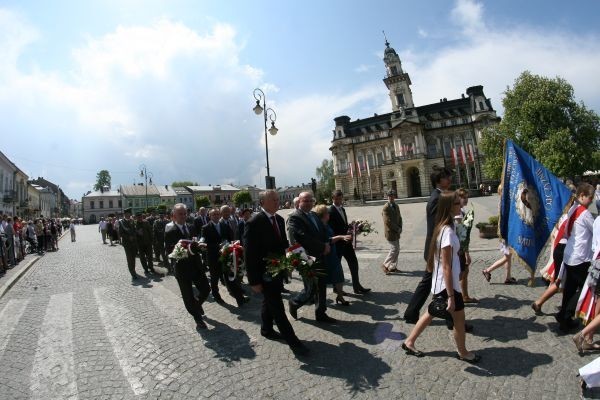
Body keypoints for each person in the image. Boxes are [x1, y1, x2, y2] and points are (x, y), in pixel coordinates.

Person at [402, 191, 480, 363]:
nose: (461, 206)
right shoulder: (447, 232)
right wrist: (451, 295)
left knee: (431, 311)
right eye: (458, 204)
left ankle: (409, 341)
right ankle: (463, 352)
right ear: (450, 207)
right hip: (447, 286)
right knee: (459, 320)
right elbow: (445, 266)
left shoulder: (445, 227)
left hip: (443, 284)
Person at [243, 190, 309, 356]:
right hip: (264, 274)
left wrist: (296, 257)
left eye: (278, 199)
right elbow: (249, 254)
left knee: (269, 302)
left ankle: (266, 329)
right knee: (278, 308)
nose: (277, 202)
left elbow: (283, 245)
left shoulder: (279, 220)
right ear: (262, 202)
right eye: (273, 199)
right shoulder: (254, 222)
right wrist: (254, 281)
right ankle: (294, 342)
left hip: (278, 271)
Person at [404, 166, 452, 323]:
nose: (449, 178)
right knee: (436, 281)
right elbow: (435, 226)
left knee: (431, 282)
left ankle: (412, 313)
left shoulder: (439, 196)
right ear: (439, 181)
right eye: (446, 176)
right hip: (435, 249)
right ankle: (451, 316)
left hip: (435, 248)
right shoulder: (436, 198)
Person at [287, 191, 336, 323]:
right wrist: (323, 246)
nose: (308, 203)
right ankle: (294, 303)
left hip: (321, 255)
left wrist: (327, 243)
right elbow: (304, 238)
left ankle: (321, 314)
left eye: (310, 201)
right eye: (305, 201)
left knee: (321, 286)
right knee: (311, 288)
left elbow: (323, 232)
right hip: (307, 257)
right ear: (299, 202)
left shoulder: (314, 214)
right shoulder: (295, 217)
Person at [556, 183, 595, 332]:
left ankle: (563, 318)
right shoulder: (584, 213)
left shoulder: (573, 209)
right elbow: (595, 229)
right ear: (582, 196)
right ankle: (566, 314)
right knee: (587, 288)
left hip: (570, 254)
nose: (591, 201)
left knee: (570, 289)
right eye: (589, 198)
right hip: (580, 257)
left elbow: (566, 230)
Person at [165, 203, 210, 329]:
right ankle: (198, 319)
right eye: (180, 214)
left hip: (196, 265)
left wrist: (200, 247)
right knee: (188, 296)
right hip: (182, 268)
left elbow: (195, 243)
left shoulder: (191, 227)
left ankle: (197, 304)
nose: (184, 216)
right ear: (174, 216)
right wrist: (189, 248)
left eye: (185, 213)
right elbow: (171, 253)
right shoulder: (170, 232)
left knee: (206, 289)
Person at [201, 208, 249, 307]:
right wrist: (218, 246)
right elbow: (205, 243)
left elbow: (230, 238)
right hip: (213, 257)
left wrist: (233, 244)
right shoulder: (205, 227)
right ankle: (216, 295)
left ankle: (240, 299)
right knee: (215, 279)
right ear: (209, 216)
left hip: (225, 256)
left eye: (217, 214)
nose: (216, 216)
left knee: (230, 278)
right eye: (213, 214)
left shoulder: (224, 225)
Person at [328, 190, 370, 294]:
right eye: (336, 199)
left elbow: (344, 225)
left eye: (340, 198)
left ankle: (356, 286)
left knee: (354, 263)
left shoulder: (342, 209)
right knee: (337, 267)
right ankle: (336, 288)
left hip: (347, 243)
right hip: (337, 243)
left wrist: (354, 229)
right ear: (332, 199)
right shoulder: (330, 211)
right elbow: (330, 229)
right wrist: (341, 236)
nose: (338, 201)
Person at [314, 204, 352, 305]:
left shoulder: (326, 223)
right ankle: (319, 301)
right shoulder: (320, 226)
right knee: (324, 280)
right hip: (326, 255)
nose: (329, 214)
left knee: (339, 276)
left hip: (333, 253)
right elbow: (327, 240)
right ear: (324, 214)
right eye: (327, 212)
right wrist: (340, 237)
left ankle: (340, 296)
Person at [482, 185, 516, 284]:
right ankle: (487, 270)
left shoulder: (503, 202)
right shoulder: (504, 203)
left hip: (505, 232)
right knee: (507, 257)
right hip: (506, 233)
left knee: (508, 256)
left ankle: (508, 277)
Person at [456, 188, 477, 303]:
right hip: (458, 249)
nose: (466, 199)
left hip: (461, 248)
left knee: (465, 271)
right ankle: (451, 295)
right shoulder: (457, 214)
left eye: (467, 197)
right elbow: (461, 236)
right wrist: (466, 253)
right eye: (463, 197)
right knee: (461, 273)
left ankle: (464, 296)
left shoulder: (462, 212)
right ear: (457, 198)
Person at [381, 190, 402, 274]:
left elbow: (399, 217)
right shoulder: (386, 207)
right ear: (387, 197)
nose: (391, 198)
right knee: (394, 249)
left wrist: (400, 227)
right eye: (390, 196)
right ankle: (385, 265)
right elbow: (387, 221)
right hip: (390, 232)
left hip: (396, 231)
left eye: (393, 196)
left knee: (397, 249)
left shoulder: (396, 206)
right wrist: (397, 228)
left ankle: (392, 267)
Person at [118, 208, 141, 280]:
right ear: (125, 214)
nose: (129, 215)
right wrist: (128, 237)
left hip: (134, 242)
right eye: (128, 213)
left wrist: (135, 234)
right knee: (129, 258)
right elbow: (120, 233)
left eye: (129, 213)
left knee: (133, 257)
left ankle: (133, 269)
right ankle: (132, 273)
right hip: (127, 243)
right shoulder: (121, 222)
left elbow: (134, 229)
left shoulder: (132, 221)